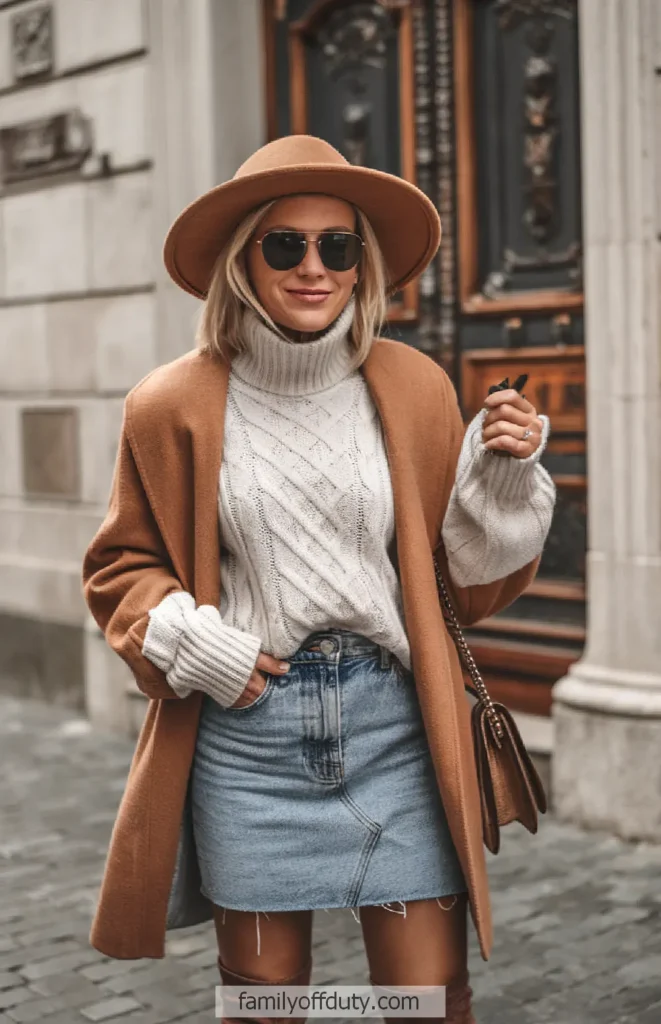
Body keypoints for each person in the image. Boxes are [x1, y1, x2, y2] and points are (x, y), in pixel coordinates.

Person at [82, 134, 556, 1024]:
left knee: (425, 1001)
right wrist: (196, 640)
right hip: (249, 736)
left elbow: (460, 588)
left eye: (337, 246)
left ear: (360, 264)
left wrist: (496, 481)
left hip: (395, 726)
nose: (313, 268)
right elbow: (120, 568)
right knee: (267, 1004)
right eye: (284, 244)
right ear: (242, 261)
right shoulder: (169, 403)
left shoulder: (413, 384)